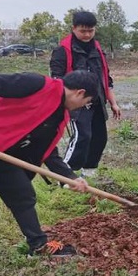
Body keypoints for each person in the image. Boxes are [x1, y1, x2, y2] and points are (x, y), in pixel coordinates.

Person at [0, 70, 99, 276]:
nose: (82, 108)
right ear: (80, 93)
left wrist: (69, 177)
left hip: (3, 154)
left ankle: (38, 244)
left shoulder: (59, 114)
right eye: (86, 102)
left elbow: (47, 150)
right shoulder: (38, 85)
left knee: (23, 195)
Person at [50, 11, 122, 177]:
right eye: (83, 31)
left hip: (97, 101)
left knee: (99, 138)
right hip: (76, 104)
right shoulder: (63, 51)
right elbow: (57, 81)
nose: (87, 34)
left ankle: (89, 172)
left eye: (91, 30)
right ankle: (67, 175)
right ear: (74, 28)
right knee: (82, 137)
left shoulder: (97, 50)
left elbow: (105, 78)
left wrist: (113, 103)